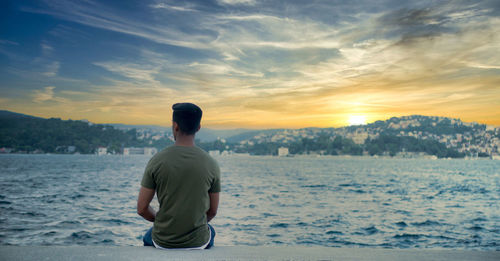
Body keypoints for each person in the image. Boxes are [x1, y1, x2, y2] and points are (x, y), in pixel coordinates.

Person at [137, 103, 220, 249]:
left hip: (163, 241)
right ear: (198, 127)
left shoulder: (157, 160)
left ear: (175, 126)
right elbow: (212, 211)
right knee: (211, 231)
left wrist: (162, 221)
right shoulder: (211, 163)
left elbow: (142, 209)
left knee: (147, 236)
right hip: (198, 242)